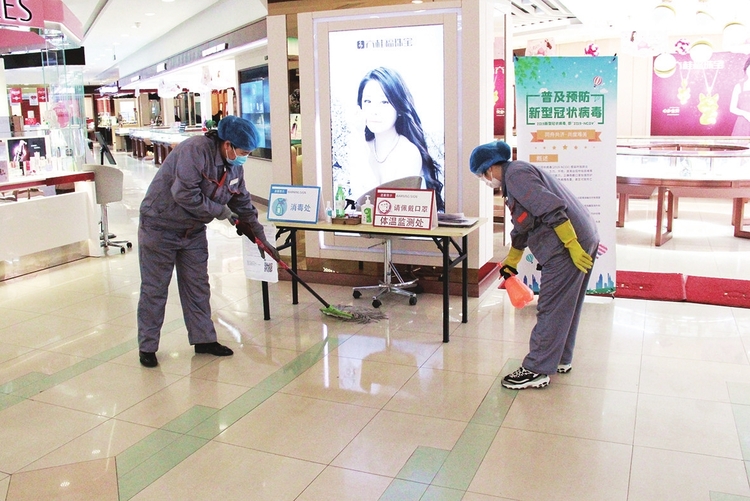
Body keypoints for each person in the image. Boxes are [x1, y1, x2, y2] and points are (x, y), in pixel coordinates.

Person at [137, 115, 279, 368]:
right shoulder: (195, 150)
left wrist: (261, 238)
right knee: (155, 289)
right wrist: (221, 211)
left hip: (192, 230)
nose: (245, 156)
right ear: (227, 144)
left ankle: (203, 340)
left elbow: (242, 202)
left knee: (198, 286)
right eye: (243, 151)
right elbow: (183, 193)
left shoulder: (235, 165)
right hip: (160, 226)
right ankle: (147, 346)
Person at [470, 141, 599, 389]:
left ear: (488, 168)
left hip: (567, 244)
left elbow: (551, 209)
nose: (484, 181)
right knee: (566, 305)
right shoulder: (514, 179)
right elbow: (522, 225)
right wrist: (512, 261)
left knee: (551, 306)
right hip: (581, 236)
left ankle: (537, 368)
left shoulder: (517, 175)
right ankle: (560, 358)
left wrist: (571, 244)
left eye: (481, 175)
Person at [353, 67, 445, 211]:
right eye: (368, 101)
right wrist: (358, 140)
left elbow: (378, 207)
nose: (374, 111)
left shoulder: (408, 153)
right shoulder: (360, 146)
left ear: (399, 108)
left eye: (384, 102)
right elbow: (355, 204)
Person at [730, 56, 750, 136]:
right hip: (743, 123)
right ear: (746, 69)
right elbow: (732, 108)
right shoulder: (739, 86)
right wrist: (745, 114)